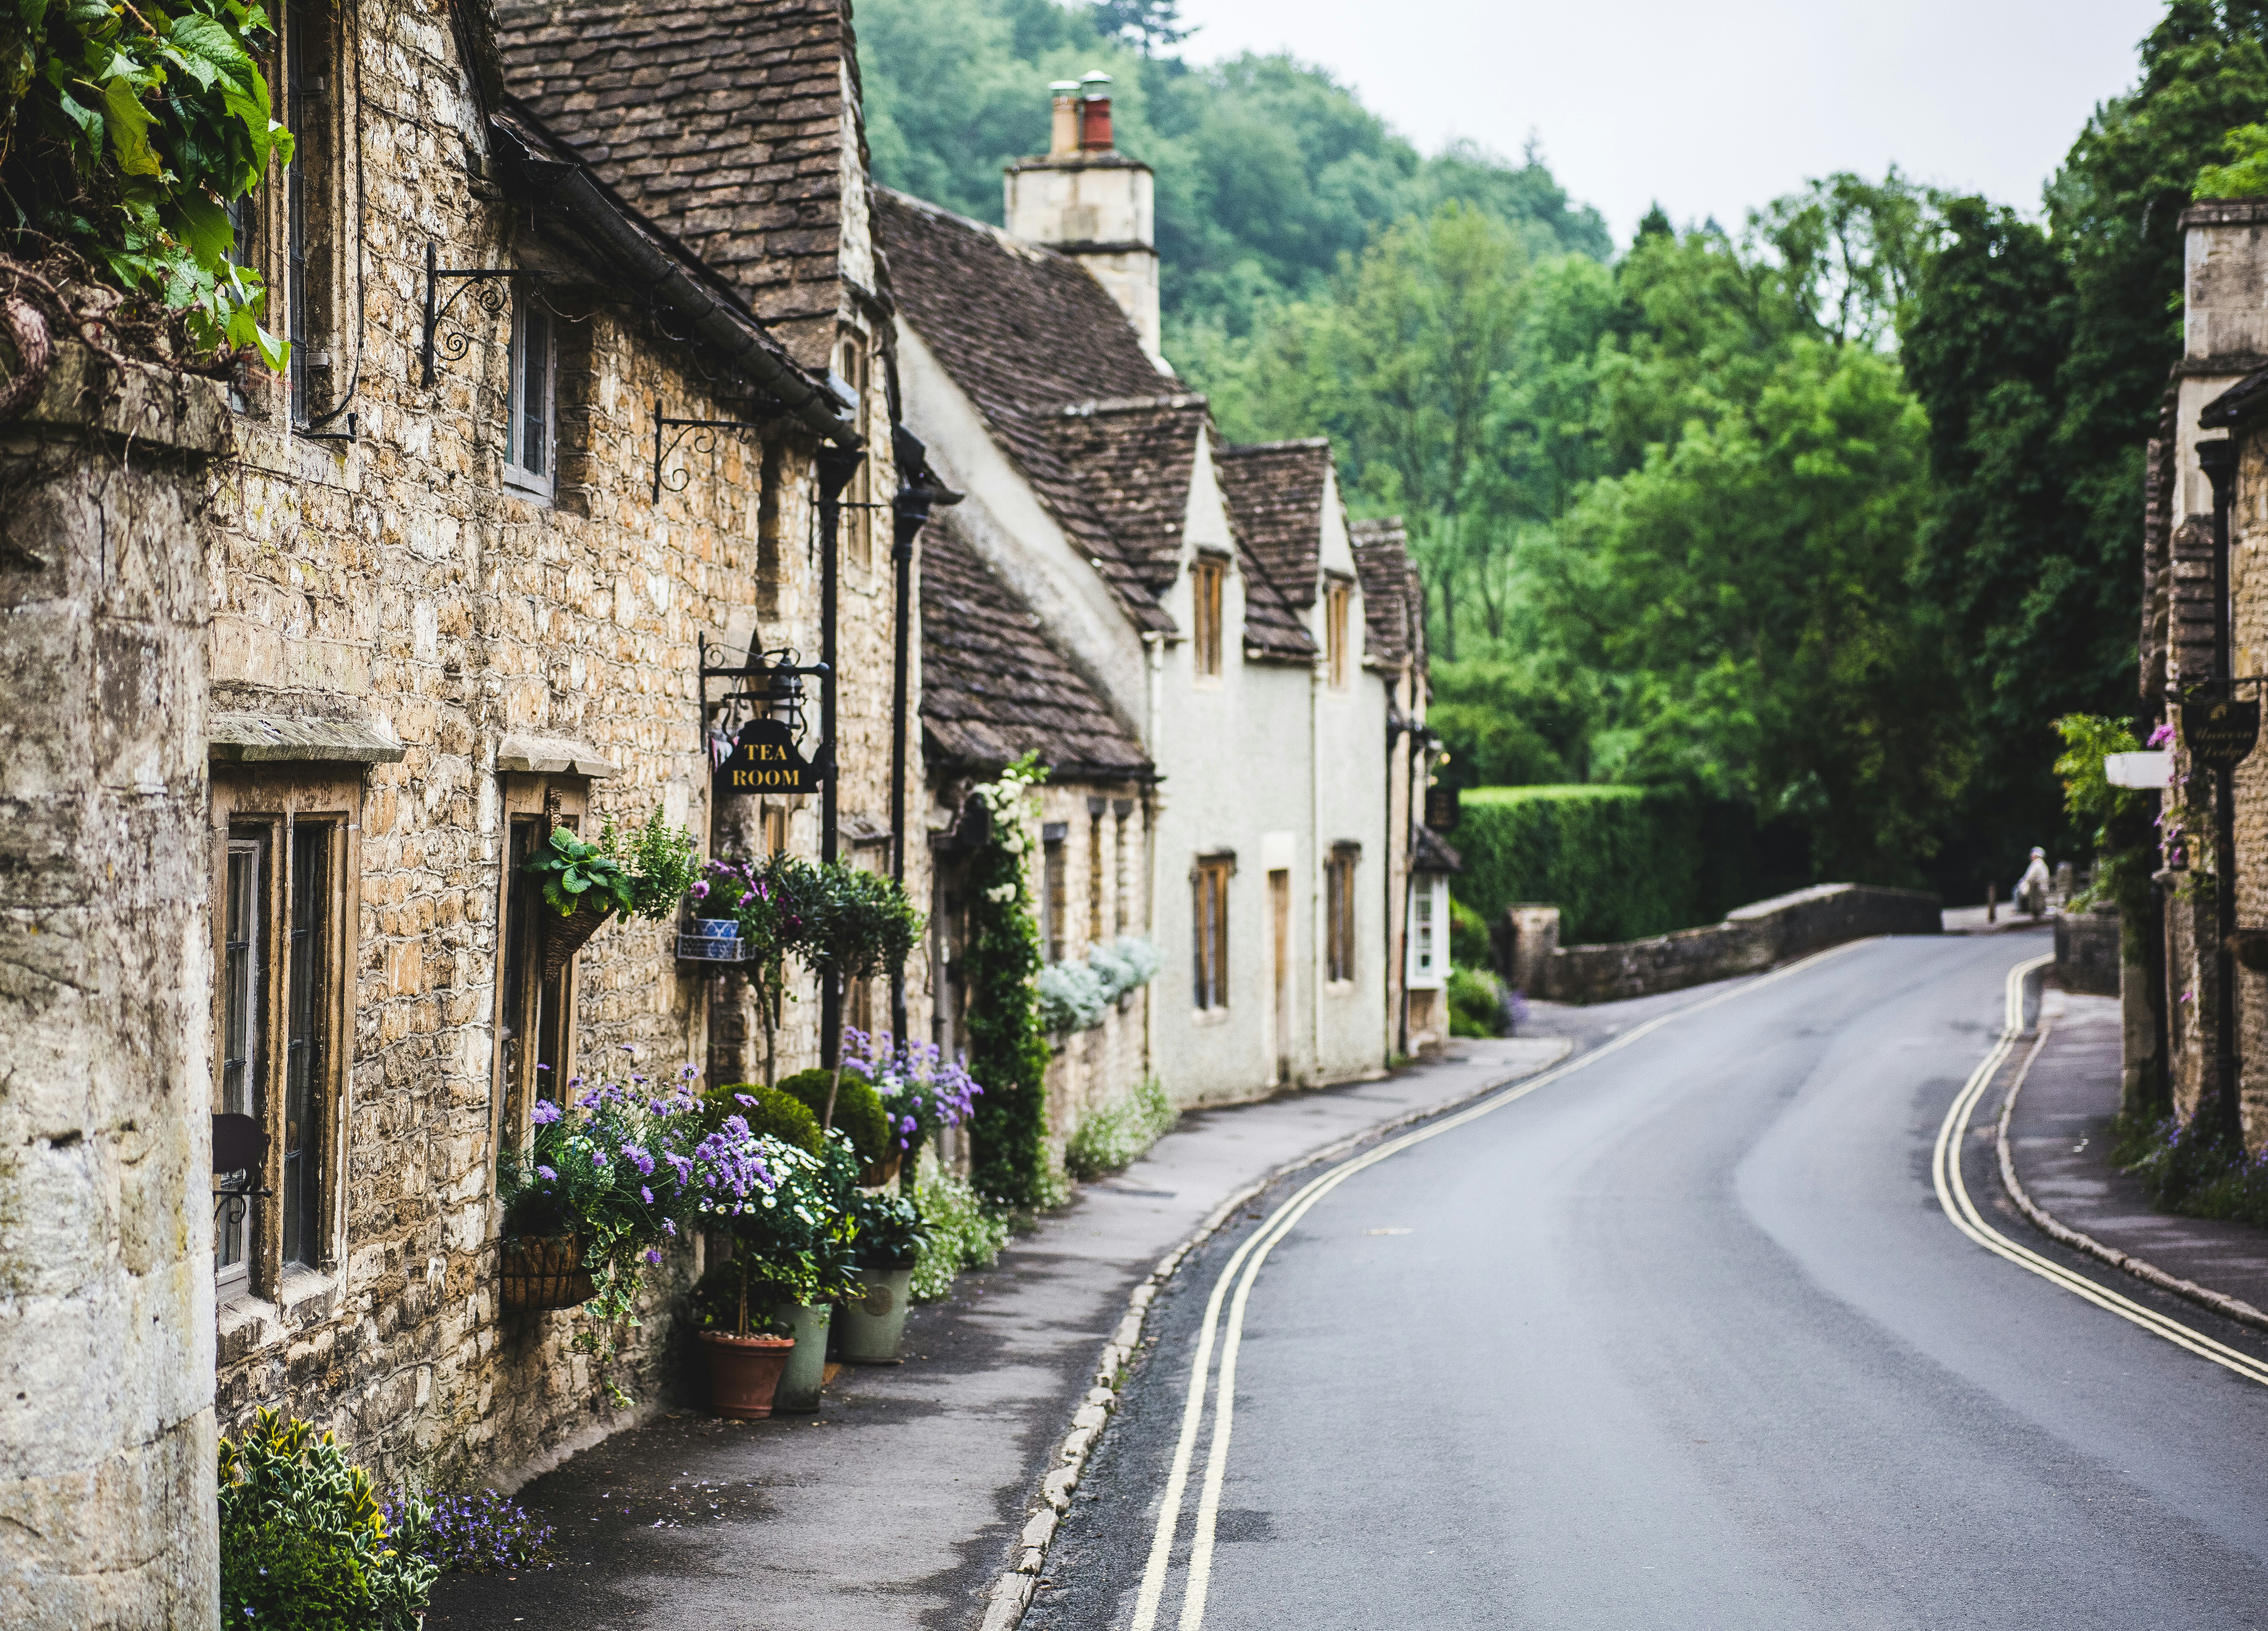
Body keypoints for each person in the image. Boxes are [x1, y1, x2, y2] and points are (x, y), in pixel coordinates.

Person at [2015, 847, 2051, 919]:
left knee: (2016, 891)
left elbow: (2028, 878)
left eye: (2033, 855)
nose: (2031, 856)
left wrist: (2021, 883)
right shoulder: (2043, 864)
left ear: (2036, 856)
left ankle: (2019, 909)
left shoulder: (2036, 865)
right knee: (2020, 889)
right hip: (2042, 887)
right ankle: (2022, 909)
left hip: (2037, 888)